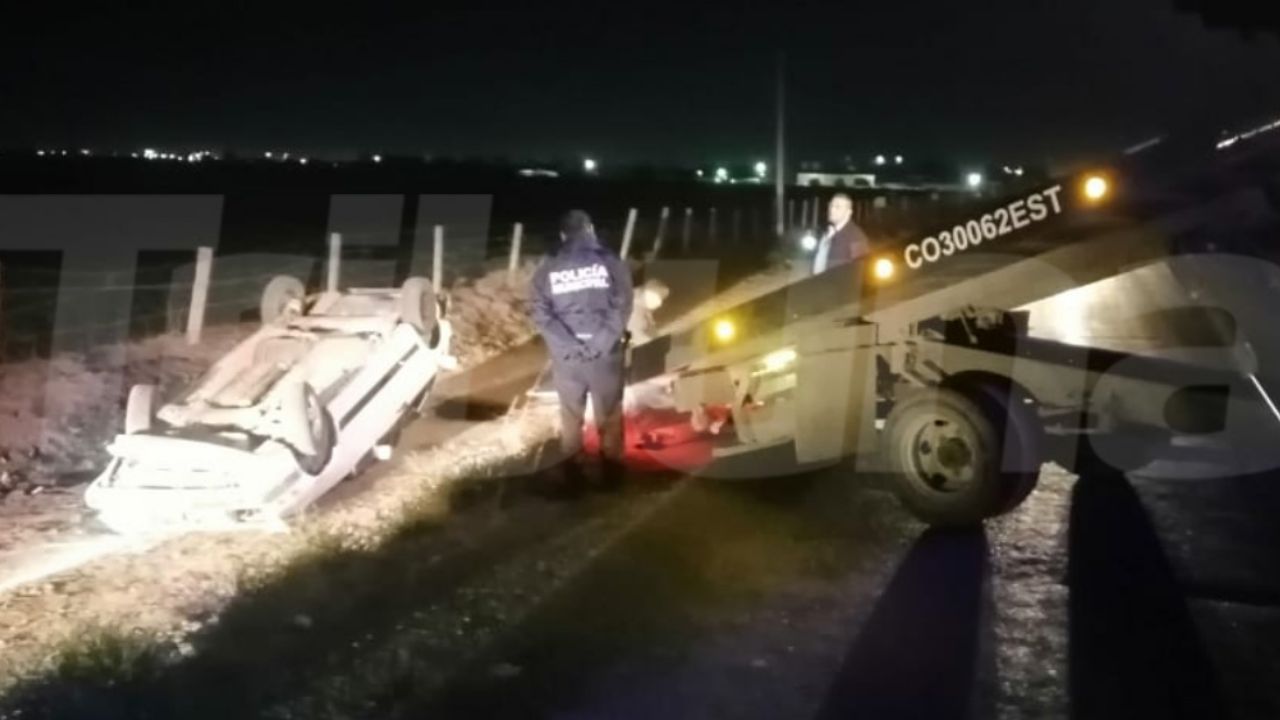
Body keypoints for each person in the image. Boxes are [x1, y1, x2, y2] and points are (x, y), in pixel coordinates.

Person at [531, 210, 633, 492]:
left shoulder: (548, 266)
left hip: (568, 360)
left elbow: (540, 312)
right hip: (605, 355)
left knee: (571, 417)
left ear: (563, 235)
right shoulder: (611, 261)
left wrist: (568, 345)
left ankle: (572, 478)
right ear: (590, 229)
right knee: (609, 415)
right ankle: (612, 479)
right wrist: (599, 343)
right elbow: (622, 305)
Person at [812, 193, 871, 274]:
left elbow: (862, 271)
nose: (832, 209)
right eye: (831, 205)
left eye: (837, 207)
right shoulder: (827, 230)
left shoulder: (857, 237)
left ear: (848, 212)